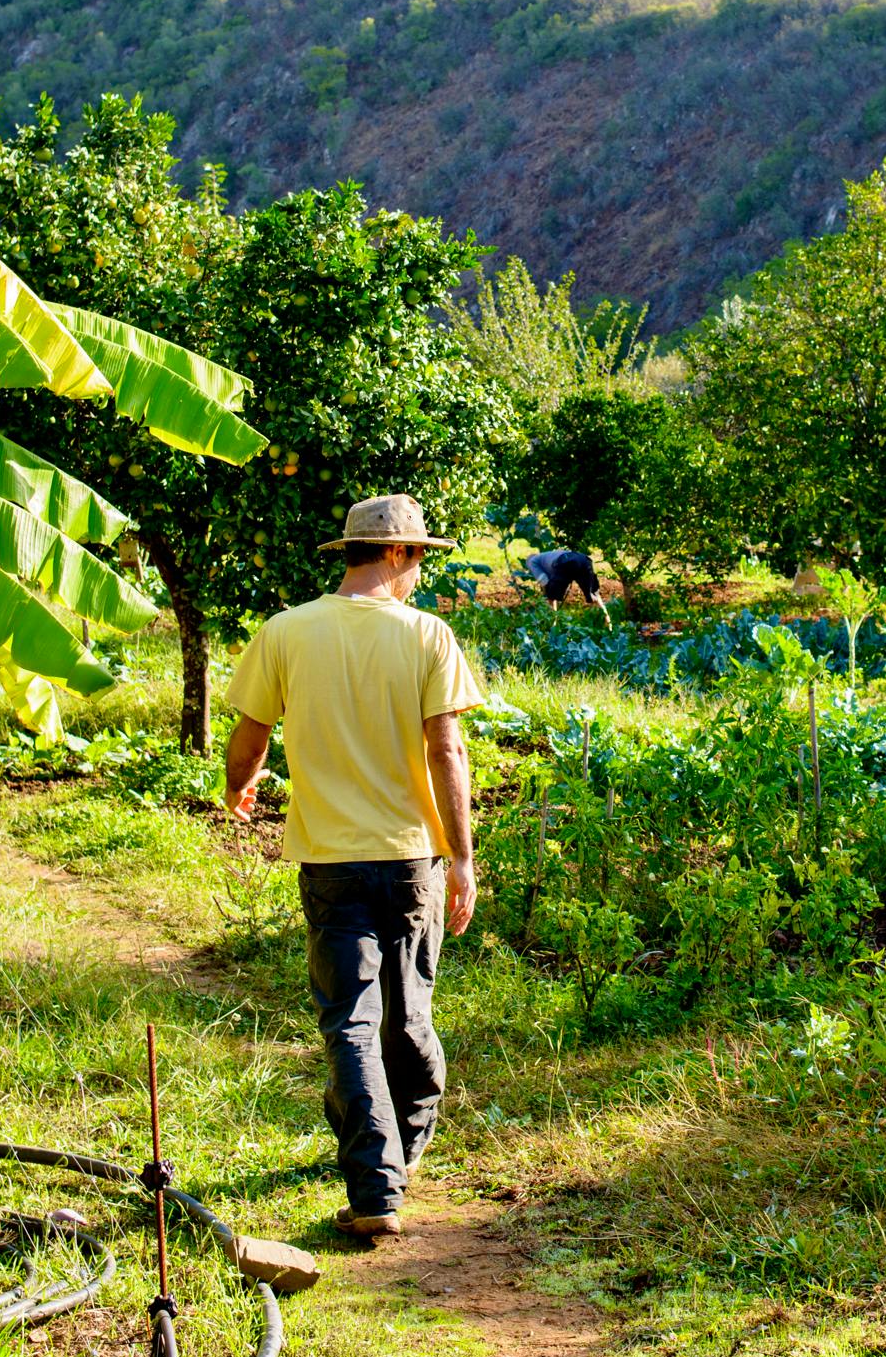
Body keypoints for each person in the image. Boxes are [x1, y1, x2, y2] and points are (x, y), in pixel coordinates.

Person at [222, 494, 485, 1239]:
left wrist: (238, 786)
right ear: (396, 553)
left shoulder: (285, 631)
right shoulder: (427, 635)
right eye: (419, 555)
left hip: (331, 860)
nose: (419, 570)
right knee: (409, 1014)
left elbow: (250, 735)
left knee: (351, 1023)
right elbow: (446, 750)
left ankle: (376, 1186)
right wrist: (462, 858)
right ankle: (405, 1149)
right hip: (410, 858)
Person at [517, 545, 609, 621]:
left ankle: (553, 622)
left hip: (565, 562)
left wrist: (546, 595)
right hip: (584, 559)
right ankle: (607, 619)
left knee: (551, 595)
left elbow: (544, 581)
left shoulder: (532, 562)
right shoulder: (547, 555)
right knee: (593, 593)